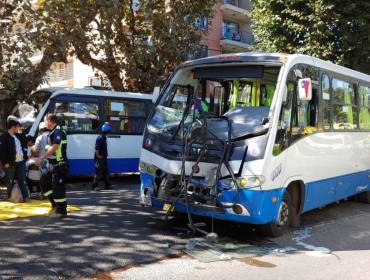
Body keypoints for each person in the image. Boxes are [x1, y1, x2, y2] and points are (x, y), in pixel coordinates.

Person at [35, 114, 69, 218]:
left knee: (57, 187)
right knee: (44, 183)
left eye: (45, 121)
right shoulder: (52, 132)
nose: (45, 124)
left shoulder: (58, 131)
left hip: (58, 164)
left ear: (49, 121)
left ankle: (61, 211)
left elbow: (55, 146)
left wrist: (41, 157)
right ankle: (55, 206)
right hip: (50, 163)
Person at [0, 119, 31, 202]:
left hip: (21, 161)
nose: (19, 128)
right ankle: (10, 197)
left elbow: (25, 143)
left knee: (23, 180)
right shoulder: (4, 137)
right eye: (18, 127)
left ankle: (26, 197)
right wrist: (5, 162)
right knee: (10, 180)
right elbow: (2, 151)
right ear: (13, 127)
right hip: (10, 163)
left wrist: (22, 134)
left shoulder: (18, 135)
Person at [92, 123, 114, 191]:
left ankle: (108, 185)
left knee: (106, 172)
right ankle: (95, 186)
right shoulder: (100, 138)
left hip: (104, 157)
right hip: (100, 158)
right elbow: (96, 149)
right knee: (98, 172)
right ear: (107, 131)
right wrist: (98, 156)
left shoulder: (104, 138)